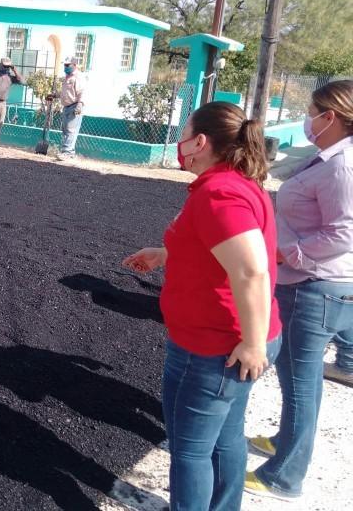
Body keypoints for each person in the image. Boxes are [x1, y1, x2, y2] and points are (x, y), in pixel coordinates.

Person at [122, 102, 282, 511]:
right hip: (230, 341)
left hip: (215, 348)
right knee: (226, 437)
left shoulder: (220, 193)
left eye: (184, 132)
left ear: (201, 141)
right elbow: (217, 253)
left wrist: (251, 343)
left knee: (190, 451)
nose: (180, 142)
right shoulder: (234, 184)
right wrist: (164, 253)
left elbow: (250, 271)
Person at [245, 80, 353, 500]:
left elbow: (344, 231)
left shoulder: (342, 165)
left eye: (311, 112)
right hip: (323, 284)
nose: (308, 119)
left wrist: (290, 255)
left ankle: (284, 476)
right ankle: (286, 441)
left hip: (315, 288)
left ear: (330, 117)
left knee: (301, 382)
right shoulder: (332, 158)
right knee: (297, 379)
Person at [57, 57, 87, 161]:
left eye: (67, 65)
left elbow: (82, 92)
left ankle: (66, 152)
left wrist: (80, 105)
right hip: (66, 106)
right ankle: (70, 152)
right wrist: (55, 95)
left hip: (75, 105)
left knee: (71, 130)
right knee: (65, 129)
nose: (65, 67)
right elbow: (66, 93)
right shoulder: (67, 77)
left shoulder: (78, 77)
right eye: (64, 65)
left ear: (74, 65)